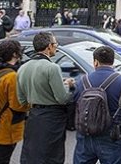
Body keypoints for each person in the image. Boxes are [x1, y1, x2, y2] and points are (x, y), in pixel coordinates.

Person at [17, 32, 77, 164]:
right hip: (51, 119)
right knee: (51, 156)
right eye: (55, 44)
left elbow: (21, 100)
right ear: (49, 46)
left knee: (32, 155)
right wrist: (67, 86)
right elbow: (62, 98)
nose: (56, 47)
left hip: (33, 116)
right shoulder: (52, 68)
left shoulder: (23, 68)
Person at [73, 46, 121, 164]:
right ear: (113, 61)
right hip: (112, 136)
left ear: (95, 62)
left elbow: (74, 103)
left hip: (86, 134)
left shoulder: (82, 81)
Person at [0, 39, 30, 164]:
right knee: (1, 159)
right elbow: (17, 105)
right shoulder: (11, 76)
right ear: (14, 54)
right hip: (6, 127)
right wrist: (30, 104)